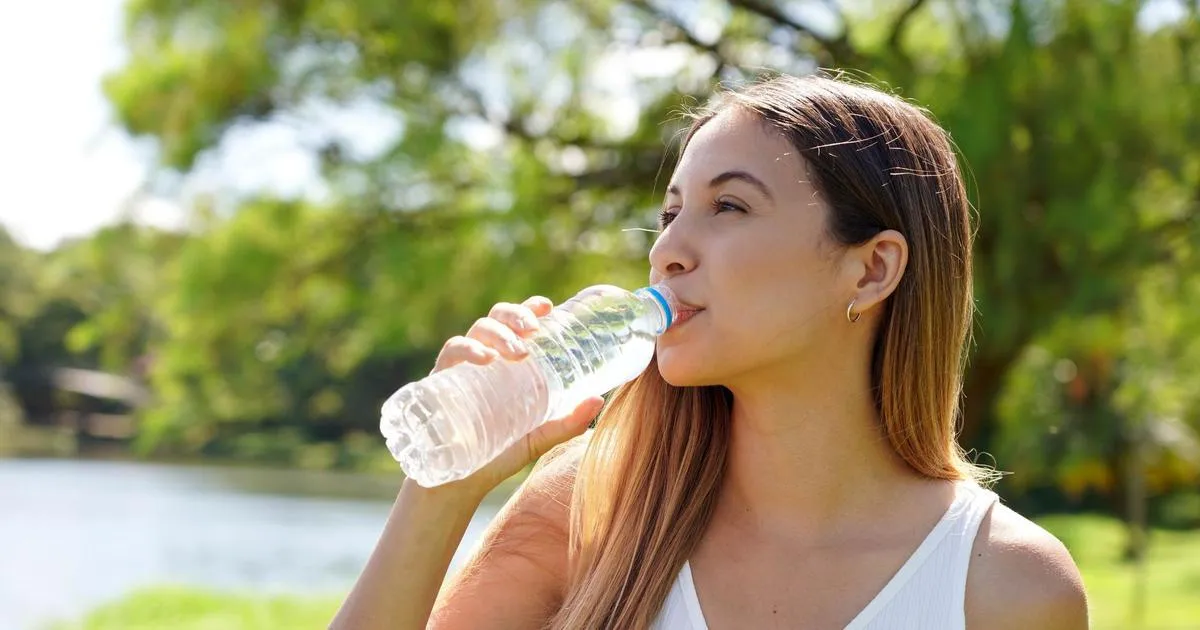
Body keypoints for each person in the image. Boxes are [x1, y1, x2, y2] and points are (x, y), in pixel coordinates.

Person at [330, 72, 1089, 630]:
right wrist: (442, 486)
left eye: (728, 206)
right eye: (668, 214)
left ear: (872, 267)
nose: (667, 250)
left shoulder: (1003, 587)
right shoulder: (592, 509)